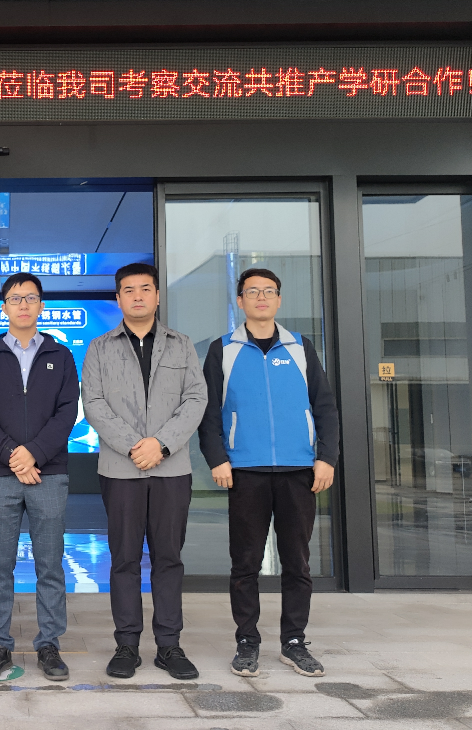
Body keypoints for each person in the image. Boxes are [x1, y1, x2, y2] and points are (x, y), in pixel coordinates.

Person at [197, 267, 339, 679]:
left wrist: (326, 458)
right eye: (252, 291)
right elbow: (208, 412)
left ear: (279, 299)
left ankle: (294, 641)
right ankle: (247, 641)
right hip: (245, 471)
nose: (261, 297)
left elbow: (325, 407)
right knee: (245, 562)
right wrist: (217, 458)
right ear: (239, 300)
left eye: (269, 291)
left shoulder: (301, 348)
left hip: (299, 469)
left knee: (297, 561)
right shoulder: (222, 350)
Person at [82, 263, 208, 680]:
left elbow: (196, 399)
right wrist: (136, 447)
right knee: (124, 559)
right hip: (120, 469)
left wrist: (162, 444)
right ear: (118, 298)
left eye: (145, 289)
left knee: (168, 558)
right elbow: (94, 403)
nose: (137, 296)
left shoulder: (181, 345)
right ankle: (127, 645)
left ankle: (169, 646)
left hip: (171, 469)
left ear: (156, 296)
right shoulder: (99, 348)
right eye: (128, 290)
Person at [0, 272, 79, 681]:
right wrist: (15, 456)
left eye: (30, 298)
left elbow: (67, 412)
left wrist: (35, 453)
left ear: (41, 306)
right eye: (15, 299)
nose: (23, 305)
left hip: (50, 474)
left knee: (50, 564)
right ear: (4, 307)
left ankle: (49, 645)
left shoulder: (61, 355)